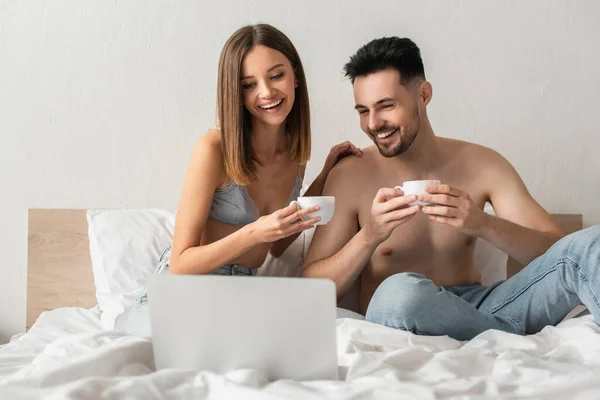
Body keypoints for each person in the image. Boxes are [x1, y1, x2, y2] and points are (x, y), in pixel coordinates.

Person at [302, 36, 600, 341]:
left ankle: (494, 333)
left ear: (424, 94)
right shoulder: (351, 174)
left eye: (386, 106)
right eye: (363, 111)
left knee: (593, 243)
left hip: (484, 306)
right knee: (400, 292)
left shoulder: (483, 163)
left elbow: (559, 253)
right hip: (402, 308)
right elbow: (310, 287)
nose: (373, 123)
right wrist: (369, 236)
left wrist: (482, 224)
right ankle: (506, 336)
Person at [117, 24, 361, 336]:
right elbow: (180, 264)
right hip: (181, 294)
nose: (267, 92)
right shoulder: (213, 149)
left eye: (276, 76)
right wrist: (254, 233)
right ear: (236, 92)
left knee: (316, 328)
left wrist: (326, 175)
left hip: (236, 296)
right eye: (248, 84)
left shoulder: (294, 154)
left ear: (295, 76)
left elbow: (279, 244)